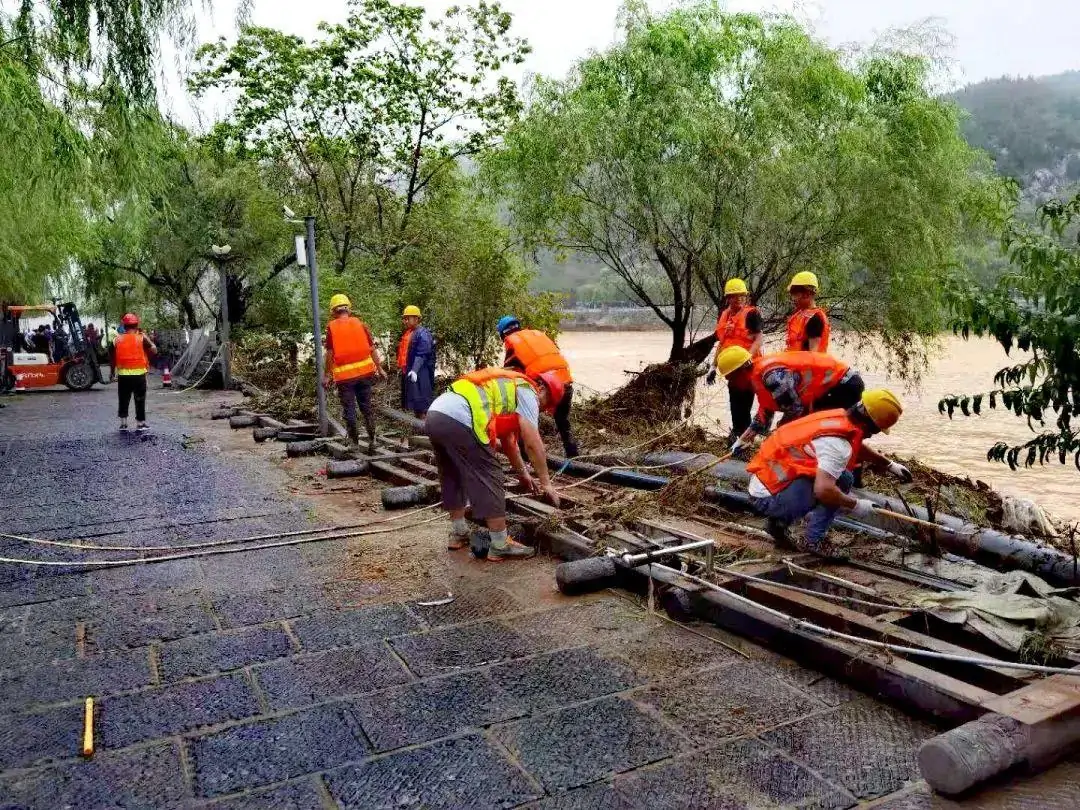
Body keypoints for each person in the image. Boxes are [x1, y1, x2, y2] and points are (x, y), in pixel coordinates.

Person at [746, 390, 913, 557]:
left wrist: (888, 464)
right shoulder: (838, 446)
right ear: (871, 425)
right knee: (839, 483)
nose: (872, 434)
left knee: (844, 477)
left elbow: (854, 444)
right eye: (877, 430)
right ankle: (813, 540)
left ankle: (778, 524)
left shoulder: (837, 417)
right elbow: (824, 490)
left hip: (765, 483)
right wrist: (856, 505)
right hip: (769, 498)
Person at [426, 367, 563, 561]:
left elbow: (509, 443)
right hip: (462, 417)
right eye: (545, 405)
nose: (540, 410)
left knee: (452, 474)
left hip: (435, 415)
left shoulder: (507, 390)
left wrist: (523, 474)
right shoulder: (528, 391)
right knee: (490, 474)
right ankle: (500, 544)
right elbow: (532, 442)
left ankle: (459, 533)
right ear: (541, 389)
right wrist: (546, 483)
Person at [714, 346, 865, 451]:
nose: (731, 384)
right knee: (809, 431)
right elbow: (764, 415)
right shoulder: (759, 377)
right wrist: (742, 440)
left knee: (828, 432)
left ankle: (843, 478)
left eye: (730, 379)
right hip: (830, 389)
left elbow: (795, 410)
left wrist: (776, 436)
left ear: (739, 373)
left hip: (843, 386)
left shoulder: (772, 378)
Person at [497, 315, 579, 458]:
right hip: (566, 385)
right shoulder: (538, 335)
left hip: (547, 388)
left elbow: (511, 375)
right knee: (563, 422)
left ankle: (526, 457)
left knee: (522, 417)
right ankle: (574, 457)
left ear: (502, 334)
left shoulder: (513, 343)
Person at [323, 293, 385, 452]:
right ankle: (373, 440)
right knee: (367, 407)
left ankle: (354, 443)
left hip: (345, 379)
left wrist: (327, 375)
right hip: (365, 375)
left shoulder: (332, 328)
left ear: (333, 311)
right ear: (348, 309)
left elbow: (329, 354)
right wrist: (379, 368)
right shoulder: (361, 324)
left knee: (349, 409)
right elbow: (372, 349)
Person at [705, 278, 763, 436]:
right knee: (735, 406)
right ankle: (738, 434)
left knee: (744, 407)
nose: (739, 299)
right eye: (735, 296)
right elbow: (722, 343)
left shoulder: (752, 314)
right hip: (733, 371)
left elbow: (759, 338)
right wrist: (713, 367)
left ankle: (744, 439)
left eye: (742, 296)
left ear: (746, 296)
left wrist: (748, 356)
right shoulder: (724, 316)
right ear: (728, 298)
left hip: (748, 369)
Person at [109, 313, 157, 431]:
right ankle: (140, 423)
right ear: (137, 325)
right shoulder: (142, 337)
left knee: (123, 399)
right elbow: (154, 350)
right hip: (139, 375)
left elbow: (111, 358)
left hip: (123, 375)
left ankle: (123, 424)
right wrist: (148, 342)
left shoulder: (117, 340)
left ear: (124, 326)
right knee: (139, 399)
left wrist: (112, 372)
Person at [397, 305, 435, 417]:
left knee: (421, 400)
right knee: (414, 400)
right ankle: (419, 421)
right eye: (405, 318)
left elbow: (422, 354)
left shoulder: (423, 334)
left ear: (417, 319)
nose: (405, 321)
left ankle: (426, 425)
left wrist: (414, 370)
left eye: (408, 318)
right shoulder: (408, 333)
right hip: (410, 370)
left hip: (421, 372)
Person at [786, 271, 830, 352]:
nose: (793, 299)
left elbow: (814, 353)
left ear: (807, 293)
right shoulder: (798, 315)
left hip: (807, 364)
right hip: (795, 363)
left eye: (795, 294)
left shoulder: (815, 319)